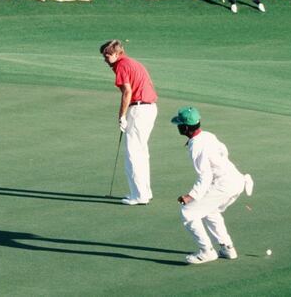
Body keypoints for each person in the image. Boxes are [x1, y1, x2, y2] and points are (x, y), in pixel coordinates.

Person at [171, 106, 253, 265]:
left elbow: (205, 175)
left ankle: (206, 251)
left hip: (224, 184)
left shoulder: (196, 146)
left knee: (188, 212)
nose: (178, 127)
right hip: (236, 179)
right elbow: (224, 151)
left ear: (185, 127)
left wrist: (191, 196)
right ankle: (227, 248)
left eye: (180, 124)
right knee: (210, 211)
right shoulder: (208, 135)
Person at [100, 39, 157, 206]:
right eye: (104, 55)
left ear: (118, 53)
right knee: (141, 152)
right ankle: (144, 191)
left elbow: (127, 92)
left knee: (133, 154)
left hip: (139, 109)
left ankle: (139, 195)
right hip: (149, 108)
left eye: (108, 55)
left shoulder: (122, 65)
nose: (105, 58)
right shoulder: (132, 62)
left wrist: (122, 116)